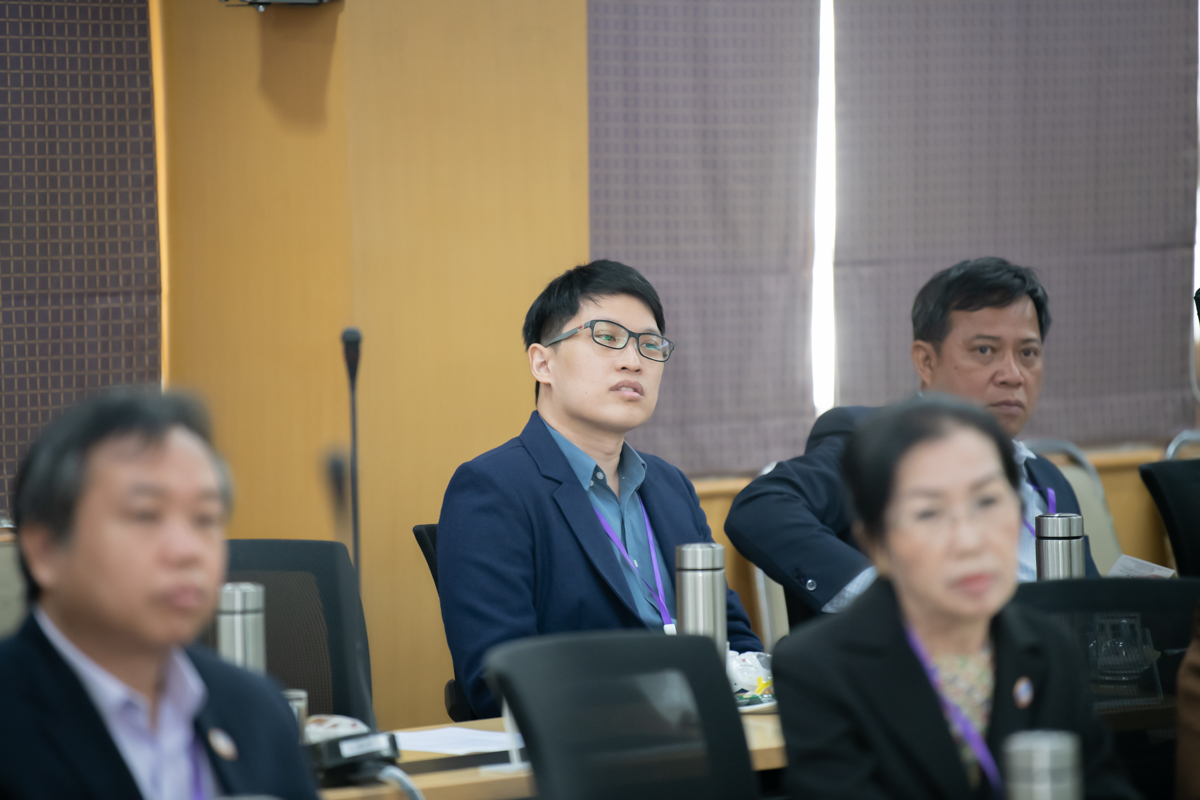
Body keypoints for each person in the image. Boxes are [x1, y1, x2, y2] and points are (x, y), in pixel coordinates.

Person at [438, 260, 762, 718]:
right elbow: (498, 678)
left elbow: (735, 640)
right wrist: (659, 699)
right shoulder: (493, 489)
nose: (633, 360)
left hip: (712, 731)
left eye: (650, 345)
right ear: (543, 363)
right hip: (588, 746)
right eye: (607, 338)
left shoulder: (670, 485)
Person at [773, 396, 1138, 799]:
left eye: (987, 502)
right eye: (928, 513)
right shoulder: (817, 670)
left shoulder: (1049, 647)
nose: (969, 541)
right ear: (876, 543)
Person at [725, 257, 1099, 621]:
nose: (1013, 375)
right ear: (926, 362)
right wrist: (885, 601)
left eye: (1028, 353)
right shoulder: (875, 443)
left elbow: (1090, 615)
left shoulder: (1048, 480)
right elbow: (763, 508)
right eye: (985, 350)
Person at [0, 392, 320, 800]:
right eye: (146, 515)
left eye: (205, 518)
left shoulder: (257, 710)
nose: (186, 551)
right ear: (45, 550)